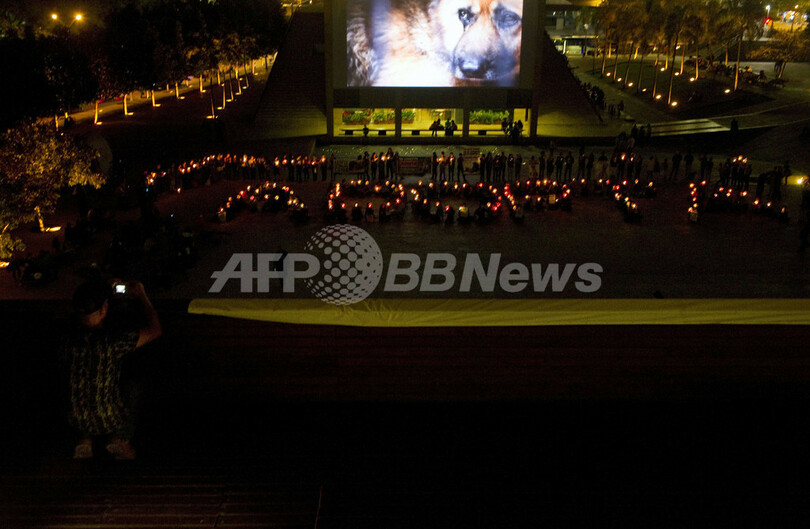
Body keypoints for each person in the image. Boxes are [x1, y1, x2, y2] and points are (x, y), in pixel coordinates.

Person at [63, 280, 162, 460]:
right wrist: (141, 295)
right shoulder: (113, 342)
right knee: (135, 385)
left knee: (81, 389)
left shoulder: (67, 340)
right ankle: (120, 438)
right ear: (104, 309)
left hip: (75, 420)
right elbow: (155, 330)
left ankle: (84, 441)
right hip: (110, 420)